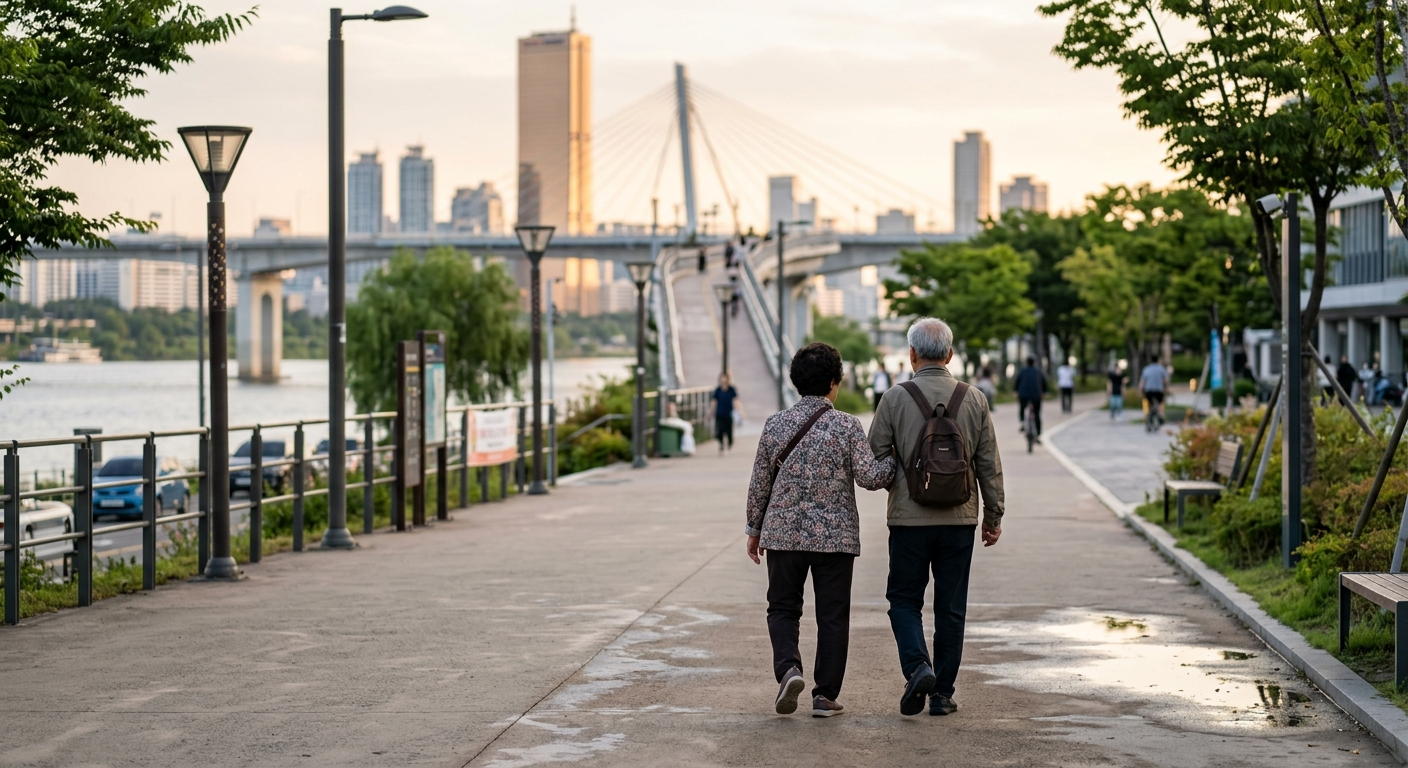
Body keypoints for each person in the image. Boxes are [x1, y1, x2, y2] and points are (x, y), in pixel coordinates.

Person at [746, 343, 896, 718]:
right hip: (835, 538)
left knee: (782, 609)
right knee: (832, 616)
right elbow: (869, 476)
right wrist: (895, 458)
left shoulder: (775, 424)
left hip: (781, 534)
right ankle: (824, 696)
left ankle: (788, 671)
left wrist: (754, 528)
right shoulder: (846, 425)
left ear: (796, 381)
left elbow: (760, 483)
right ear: (835, 382)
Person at [868, 318, 1004, 717]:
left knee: (904, 601)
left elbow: (875, 458)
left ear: (912, 355)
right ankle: (942, 693)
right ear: (949, 354)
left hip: (909, 522)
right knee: (951, 607)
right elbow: (988, 465)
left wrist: (906, 472)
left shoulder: (894, 398)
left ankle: (917, 666)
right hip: (960, 519)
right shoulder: (974, 398)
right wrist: (993, 517)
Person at [1014, 356, 1047, 436]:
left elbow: (1017, 382)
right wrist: (1044, 392)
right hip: (1036, 395)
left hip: (1023, 394)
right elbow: (1044, 382)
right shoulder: (1038, 371)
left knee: (1022, 407)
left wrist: (1016, 391)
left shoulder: (1022, 371)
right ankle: (1038, 434)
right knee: (1037, 413)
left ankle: (1022, 422)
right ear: (1034, 362)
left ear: (1026, 363)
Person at [711, 373, 743, 454]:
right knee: (719, 431)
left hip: (728, 414)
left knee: (729, 432)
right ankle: (721, 444)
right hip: (719, 414)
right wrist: (710, 412)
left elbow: (736, 400)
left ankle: (729, 443)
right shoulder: (718, 390)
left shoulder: (731, 389)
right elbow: (714, 402)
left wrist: (741, 411)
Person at [1140, 354, 1171, 425]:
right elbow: (1166, 380)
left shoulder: (1146, 369)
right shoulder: (1161, 368)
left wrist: (1140, 389)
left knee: (1148, 403)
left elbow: (1142, 381)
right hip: (1158, 391)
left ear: (1150, 360)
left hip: (1149, 391)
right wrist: (1166, 388)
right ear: (1158, 360)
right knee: (1160, 403)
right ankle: (1160, 415)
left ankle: (1147, 416)